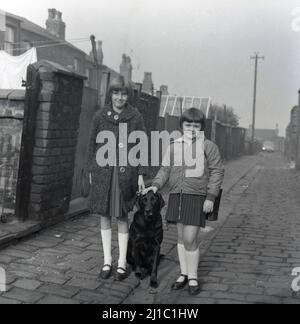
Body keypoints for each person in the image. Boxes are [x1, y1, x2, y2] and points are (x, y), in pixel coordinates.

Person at [144, 108, 224, 295]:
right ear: (181, 126)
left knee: (190, 238)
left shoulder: (208, 146)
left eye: (196, 125)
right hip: (176, 196)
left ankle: (193, 276)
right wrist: (155, 186)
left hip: (197, 198)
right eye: (188, 125)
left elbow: (217, 171)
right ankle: (184, 274)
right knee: (181, 238)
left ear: (201, 127)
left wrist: (210, 197)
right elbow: (165, 169)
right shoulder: (174, 146)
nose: (192, 128)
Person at [86, 75, 146, 281]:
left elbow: (142, 147)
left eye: (124, 93)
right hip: (104, 173)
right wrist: (91, 171)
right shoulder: (100, 116)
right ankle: (106, 261)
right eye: (116, 92)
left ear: (128, 95)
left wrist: (140, 174)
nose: (120, 97)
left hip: (125, 174)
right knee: (104, 215)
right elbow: (91, 146)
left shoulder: (135, 116)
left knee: (121, 216)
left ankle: (121, 263)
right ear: (110, 94)